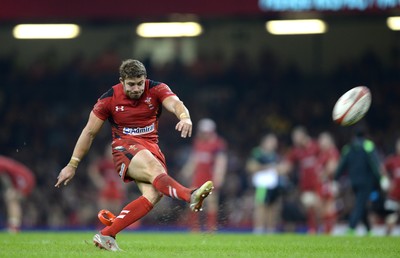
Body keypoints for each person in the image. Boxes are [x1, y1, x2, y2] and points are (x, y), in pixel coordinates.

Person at [55, 59, 214, 251]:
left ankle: (107, 235)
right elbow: (89, 132)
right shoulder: (108, 99)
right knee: (154, 169)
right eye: (131, 84)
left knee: (153, 195)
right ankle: (190, 195)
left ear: (145, 79)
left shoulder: (156, 89)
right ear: (122, 81)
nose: (136, 88)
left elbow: (175, 103)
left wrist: (185, 117)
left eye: (140, 83)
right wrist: (73, 164)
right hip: (124, 147)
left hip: (151, 147)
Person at [181, 118, 228, 232]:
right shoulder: (198, 142)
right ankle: (194, 229)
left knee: (211, 202)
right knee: (193, 202)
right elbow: (194, 159)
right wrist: (187, 171)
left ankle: (210, 229)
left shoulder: (218, 144)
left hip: (210, 177)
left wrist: (219, 176)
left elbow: (221, 161)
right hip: (198, 177)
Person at [334, 127, 382, 235]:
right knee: (360, 204)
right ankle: (351, 227)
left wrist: (335, 179)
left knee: (362, 203)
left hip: (353, 181)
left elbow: (342, 165)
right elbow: (374, 163)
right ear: (365, 135)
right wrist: (380, 179)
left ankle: (368, 230)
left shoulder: (348, 148)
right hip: (366, 182)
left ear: (353, 136)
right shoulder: (368, 146)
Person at [281, 126, 322, 233]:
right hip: (306, 186)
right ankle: (312, 229)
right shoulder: (296, 151)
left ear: (303, 135)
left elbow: (326, 158)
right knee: (309, 206)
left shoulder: (316, 146)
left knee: (320, 208)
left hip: (319, 183)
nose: (294, 140)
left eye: (295, 137)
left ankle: (323, 228)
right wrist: (274, 168)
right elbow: (287, 166)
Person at [245, 133, 282, 234]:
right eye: (271, 141)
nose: (273, 144)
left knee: (272, 206)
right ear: (265, 142)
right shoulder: (257, 153)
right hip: (261, 184)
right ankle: (259, 228)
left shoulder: (275, 155)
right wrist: (267, 167)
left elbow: (282, 168)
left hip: (273, 184)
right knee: (260, 205)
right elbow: (251, 166)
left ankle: (271, 229)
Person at [88, 145, 127, 224]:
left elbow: (128, 173)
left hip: (116, 191)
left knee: (116, 213)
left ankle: (114, 229)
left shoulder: (120, 163)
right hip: (105, 190)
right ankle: (102, 229)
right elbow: (92, 170)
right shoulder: (104, 162)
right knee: (103, 212)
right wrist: (98, 181)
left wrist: (123, 184)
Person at [0, 155, 35, 233]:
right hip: (24, 177)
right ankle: (14, 226)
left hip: (24, 178)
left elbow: (4, 178)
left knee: (12, 199)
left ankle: (14, 227)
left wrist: (9, 189)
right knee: (12, 199)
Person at [317, 132, 340, 234]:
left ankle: (330, 230)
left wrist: (324, 174)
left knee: (329, 206)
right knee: (323, 207)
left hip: (330, 182)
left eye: (324, 140)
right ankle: (326, 229)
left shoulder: (332, 151)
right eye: (321, 140)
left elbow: (332, 167)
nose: (322, 142)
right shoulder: (322, 154)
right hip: (322, 183)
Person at [383, 137, 400, 235]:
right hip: (394, 194)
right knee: (390, 218)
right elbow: (383, 169)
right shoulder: (392, 160)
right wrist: (387, 181)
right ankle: (387, 237)